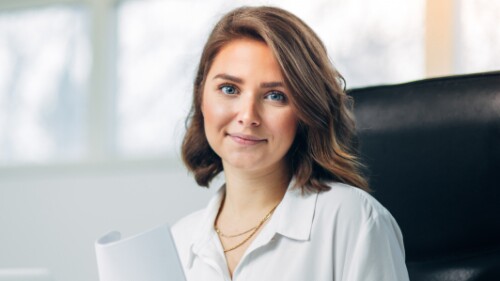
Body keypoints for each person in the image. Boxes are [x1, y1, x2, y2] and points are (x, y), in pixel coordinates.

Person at [172, 6, 409, 281]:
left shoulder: (352, 219)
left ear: (305, 112)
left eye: (275, 96)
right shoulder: (178, 242)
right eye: (229, 89)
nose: (248, 116)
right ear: (201, 96)